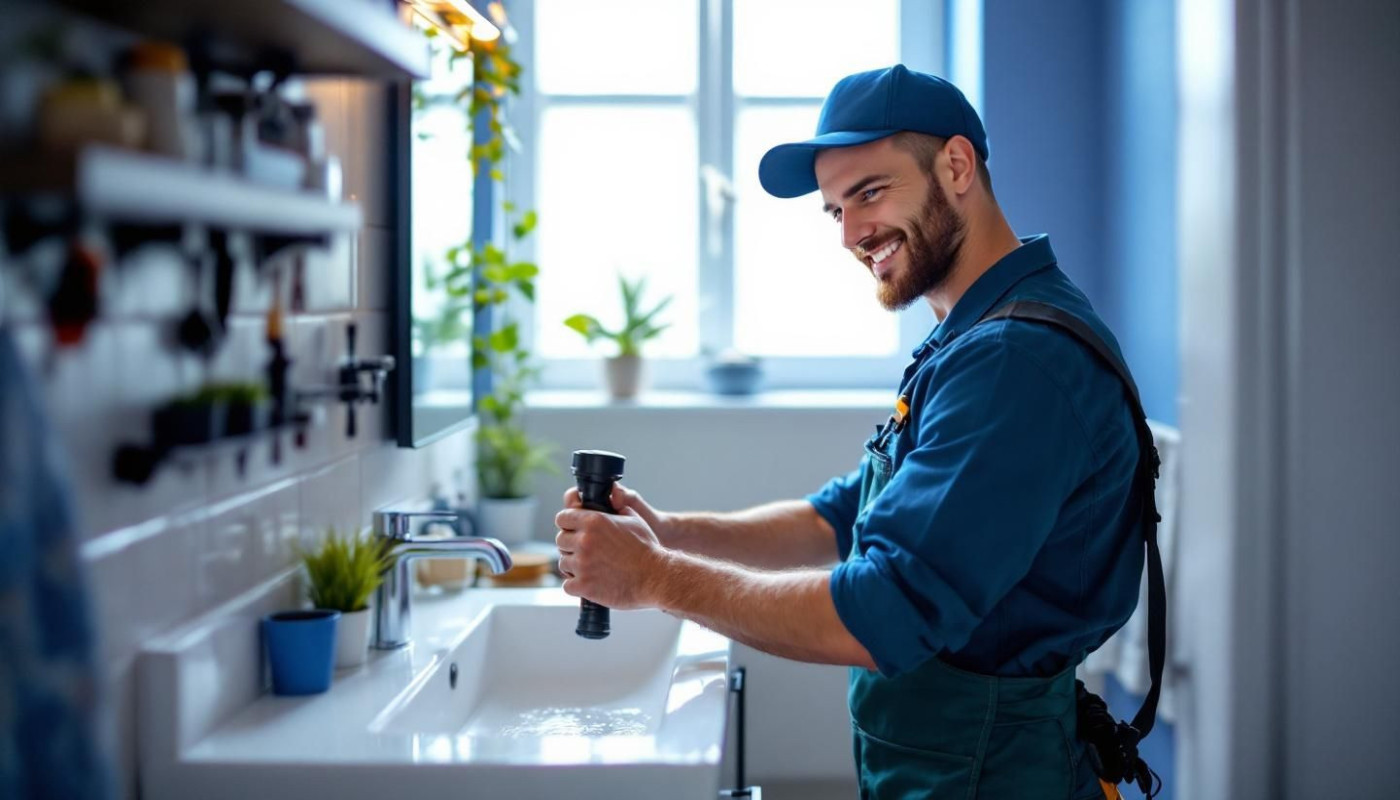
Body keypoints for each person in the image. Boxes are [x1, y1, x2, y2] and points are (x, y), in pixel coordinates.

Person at [555, 65, 1151, 799]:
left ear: (956, 165)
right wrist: (669, 533)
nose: (850, 234)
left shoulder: (1012, 361)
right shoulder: (969, 340)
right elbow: (838, 519)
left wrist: (654, 577)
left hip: (990, 777)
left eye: (869, 192)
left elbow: (883, 614)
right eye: (835, 209)